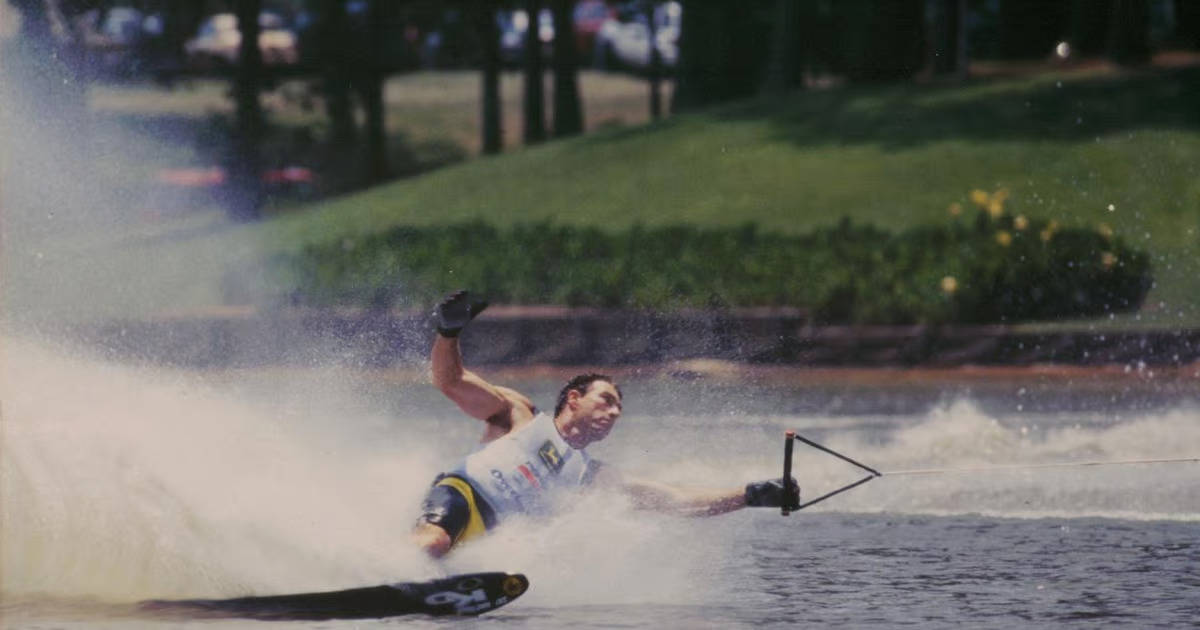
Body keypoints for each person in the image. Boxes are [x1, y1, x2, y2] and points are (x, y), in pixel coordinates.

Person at [410, 290, 800, 558]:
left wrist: (750, 494)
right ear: (575, 399)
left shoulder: (592, 477)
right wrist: (449, 332)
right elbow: (451, 381)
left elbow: (678, 500)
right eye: (607, 400)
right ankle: (382, 567)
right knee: (433, 543)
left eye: (619, 409)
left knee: (457, 557)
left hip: (489, 537)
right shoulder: (519, 414)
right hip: (462, 493)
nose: (614, 413)